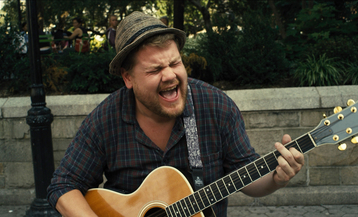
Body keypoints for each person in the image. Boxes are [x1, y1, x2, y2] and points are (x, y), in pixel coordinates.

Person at [47, 11, 304, 217]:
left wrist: (276, 179)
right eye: (155, 69)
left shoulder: (217, 107)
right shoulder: (105, 119)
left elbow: (246, 176)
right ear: (128, 77)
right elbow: (63, 186)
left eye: (174, 63)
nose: (170, 75)